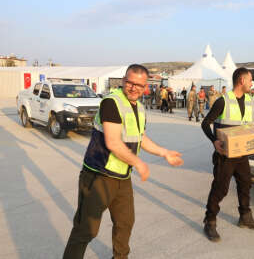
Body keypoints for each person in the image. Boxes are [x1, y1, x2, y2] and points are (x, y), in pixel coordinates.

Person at [63, 64, 184, 259]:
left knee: (125, 224)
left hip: (122, 176)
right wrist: (139, 163)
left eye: (139, 85)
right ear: (123, 81)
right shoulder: (112, 103)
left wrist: (164, 152)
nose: (134, 87)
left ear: (146, 86)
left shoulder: (139, 108)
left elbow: (140, 137)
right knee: (86, 229)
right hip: (99, 175)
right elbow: (113, 142)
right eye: (130, 82)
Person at [201, 67, 254, 242]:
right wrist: (214, 140)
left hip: (242, 154)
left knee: (246, 184)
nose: (252, 83)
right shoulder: (223, 101)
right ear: (241, 81)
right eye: (250, 80)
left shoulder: (251, 101)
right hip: (225, 155)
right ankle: (210, 221)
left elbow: (250, 126)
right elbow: (206, 123)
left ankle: (245, 217)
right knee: (220, 189)